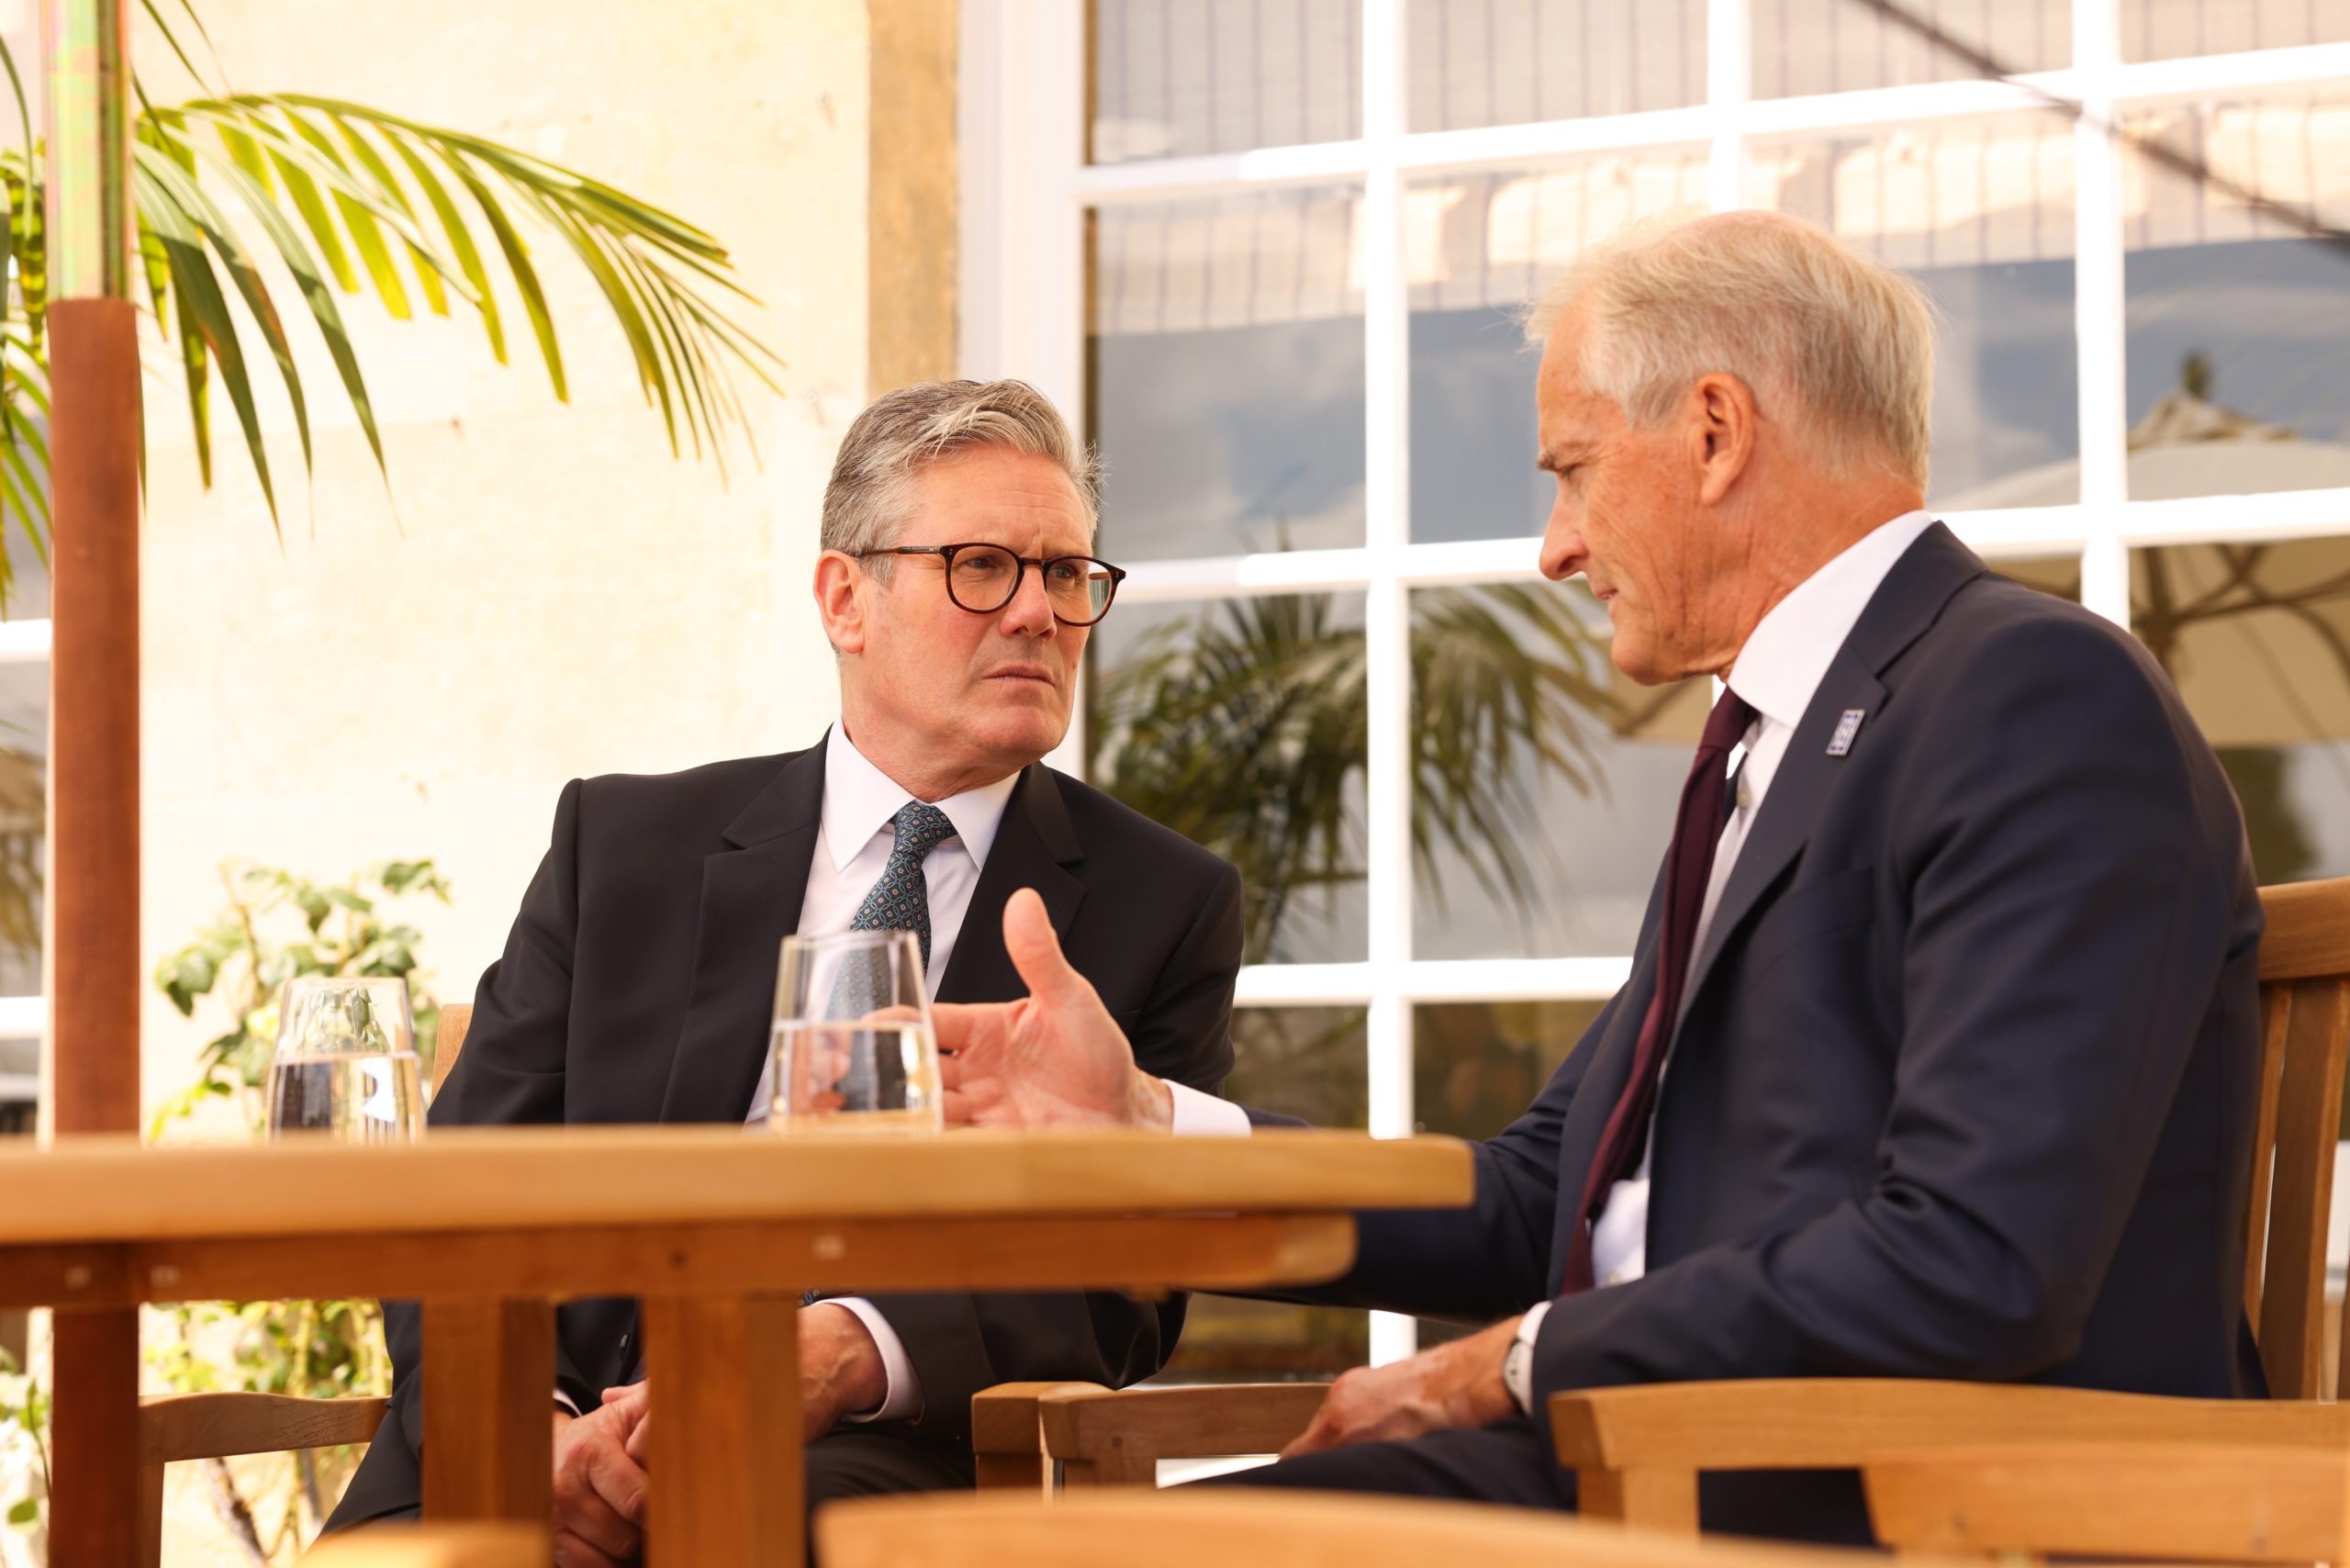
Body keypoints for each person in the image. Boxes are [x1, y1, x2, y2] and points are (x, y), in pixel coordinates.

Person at [934, 211, 2265, 1540]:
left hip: (1895, 1502)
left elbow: (1977, 1262)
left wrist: (1510, 1363)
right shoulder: (1778, 749)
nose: (1555, 548)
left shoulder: (2033, 699)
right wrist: (1153, 1134)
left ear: (1714, 432)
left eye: (1572, 471)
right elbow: (1538, 1198)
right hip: (1660, 1474)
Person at [327, 380, 1248, 1564]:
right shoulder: (625, 845)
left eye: (1068, 574)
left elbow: (1127, 1286)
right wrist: (532, 1432)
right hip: (517, 1436)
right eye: (982, 566)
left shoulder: (1157, 902)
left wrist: (847, 1349)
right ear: (844, 599)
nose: (1036, 613)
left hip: (860, 1456)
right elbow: (460, 1195)